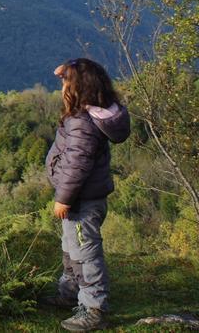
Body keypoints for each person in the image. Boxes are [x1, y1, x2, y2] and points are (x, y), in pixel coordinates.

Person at [43, 57, 130, 331]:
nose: (61, 86)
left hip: (80, 201)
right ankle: (69, 293)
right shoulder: (96, 113)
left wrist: (63, 198)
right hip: (87, 199)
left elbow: (77, 165)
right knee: (72, 250)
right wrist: (67, 68)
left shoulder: (82, 123)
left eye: (66, 82)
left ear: (78, 89)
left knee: (85, 254)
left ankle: (94, 309)